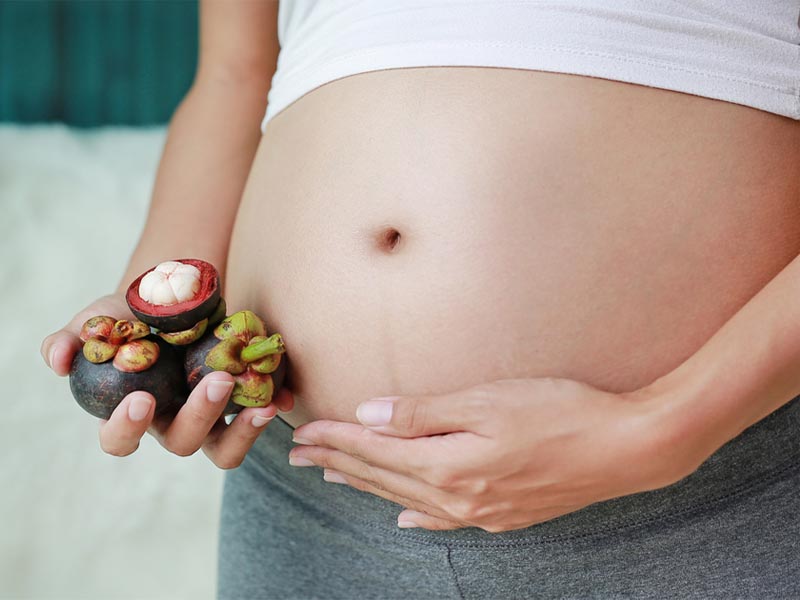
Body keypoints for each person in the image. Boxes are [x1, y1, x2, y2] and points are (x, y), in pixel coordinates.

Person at [41, 1, 800, 598]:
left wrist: (667, 426)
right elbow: (237, 75)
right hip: (310, 499)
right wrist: (159, 311)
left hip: (697, 494)